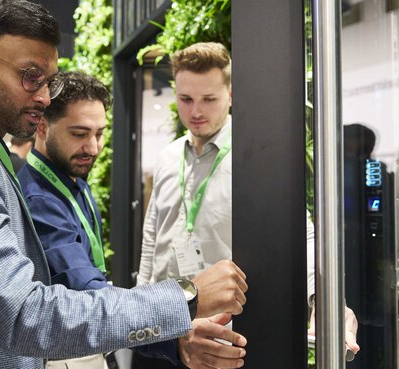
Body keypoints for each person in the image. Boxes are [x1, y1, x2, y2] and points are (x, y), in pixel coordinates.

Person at [0, 2, 248, 368]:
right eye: (30, 76)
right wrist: (187, 296)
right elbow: (23, 313)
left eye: (48, 81)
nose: (43, 96)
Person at [136, 42, 359, 368]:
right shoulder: (168, 157)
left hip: (221, 340)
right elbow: (152, 241)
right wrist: (138, 318)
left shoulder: (255, 157)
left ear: (230, 94)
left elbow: (301, 234)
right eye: (186, 99)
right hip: (163, 335)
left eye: (209, 99)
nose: (196, 112)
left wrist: (322, 303)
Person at [18, 71, 246, 369]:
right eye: (79, 134)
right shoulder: (39, 200)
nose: (93, 148)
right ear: (43, 126)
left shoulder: (71, 178)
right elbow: (85, 290)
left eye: (99, 133)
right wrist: (181, 310)